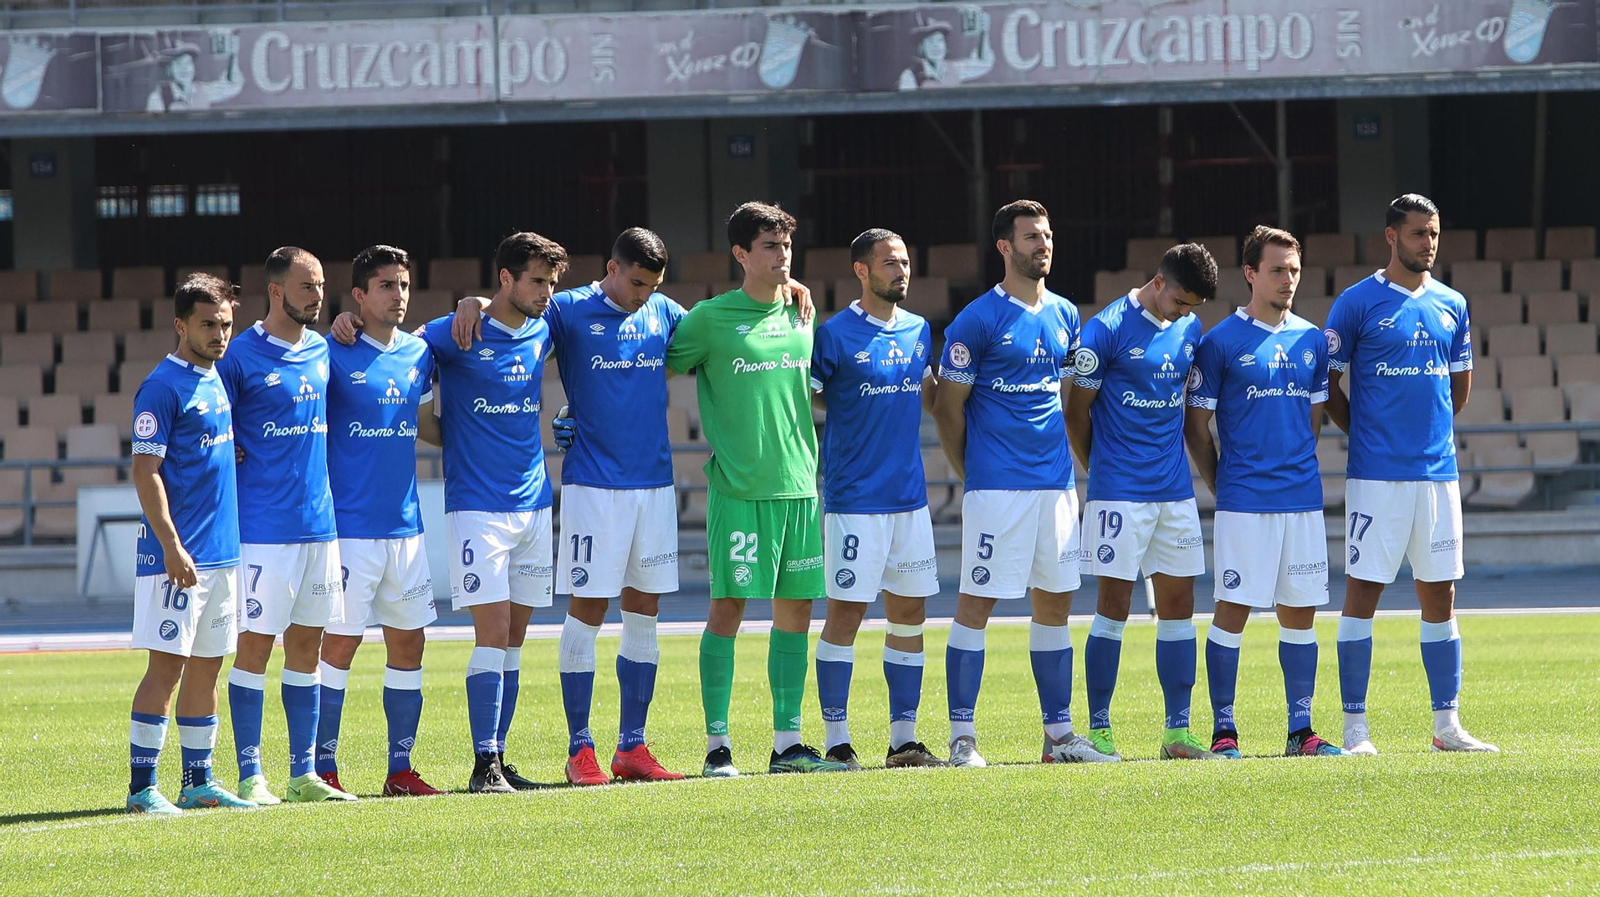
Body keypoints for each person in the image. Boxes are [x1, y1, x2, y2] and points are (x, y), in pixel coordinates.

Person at [456, 228, 688, 785]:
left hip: (654, 485)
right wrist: (473, 302)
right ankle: (579, 746)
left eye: (652, 286)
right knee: (588, 610)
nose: (642, 295)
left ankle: (633, 746)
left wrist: (789, 286)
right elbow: (513, 311)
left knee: (645, 614)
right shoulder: (566, 309)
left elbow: (723, 326)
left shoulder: (664, 311)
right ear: (611, 267)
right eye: (635, 283)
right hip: (593, 487)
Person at [666, 201, 847, 777]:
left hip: (799, 488)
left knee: (796, 610)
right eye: (769, 246)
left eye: (787, 246)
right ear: (741, 253)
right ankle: (718, 747)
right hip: (740, 491)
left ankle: (787, 744)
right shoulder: (709, 319)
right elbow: (649, 369)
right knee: (729, 607)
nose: (782, 255)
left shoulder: (800, 312)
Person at [933, 200, 1113, 767]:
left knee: (1056, 605)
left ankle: (1058, 736)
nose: (1044, 244)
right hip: (998, 488)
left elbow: (1068, 399)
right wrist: (976, 474)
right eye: (1032, 236)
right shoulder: (976, 320)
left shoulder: (1065, 314)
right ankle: (963, 736)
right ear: (1005, 248)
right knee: (976, 603)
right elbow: (947, 410)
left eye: (1048, 235)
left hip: (1055, 485)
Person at [1324, 194, 1497, 754]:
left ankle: (1446, 726)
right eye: (1420, 233)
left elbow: (1458, 387)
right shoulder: (1355, 304)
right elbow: (1329, 388)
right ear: (1392, 237)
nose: (1430, 242)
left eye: (1435, 233)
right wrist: (1367, 433)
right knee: (1363, 594)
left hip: (1437, 474)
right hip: (1376, 476)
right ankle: (1356, 730)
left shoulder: (1453, 303)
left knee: (1441, 595)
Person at [1184, 226, 1347, 759]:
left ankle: (1301, 731)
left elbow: (1314, 419)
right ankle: (1224, 730)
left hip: (1300, 500)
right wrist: (1221, 483)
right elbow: (1196, 425)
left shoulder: (1311, 340)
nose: (1288, 280)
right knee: (1233, 610)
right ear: (1251, 274)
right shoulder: (1220, 343)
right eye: (1278, 270)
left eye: (1295, 270)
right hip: (1244, 503)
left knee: (1300, 613)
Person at [1065, 242, 1218, 761]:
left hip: (1174, 492)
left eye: (1194, 306)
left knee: (1179, 608)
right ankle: (1101, 729)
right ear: (1159, 282)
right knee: (1113, 608)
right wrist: (1103, 471)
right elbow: (1075, 414)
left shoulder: (1189, 329)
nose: (1186, 313)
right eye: (1181, 301)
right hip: (1119, 495)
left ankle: (1177, 731)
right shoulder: (1103, 331)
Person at [428, 232, 566, 792]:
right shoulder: (452, 331)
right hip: (478, 507)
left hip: (534, 504)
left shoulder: (545, 326)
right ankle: (482, 764)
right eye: (537, 280)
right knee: (493, 633)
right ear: (505, 278)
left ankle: (499, 756)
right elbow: (386, 344)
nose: (547, 293)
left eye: (552, 282)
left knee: (515, 639)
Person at [219, 247, 354, 804]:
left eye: (321, 285)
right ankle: (252, 774)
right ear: (276, 291)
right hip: (262, 531)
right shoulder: (239, 356)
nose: (318, 296)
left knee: (308, 645)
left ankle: (304, 775)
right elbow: (208, 424)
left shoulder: (324, 348)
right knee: (254, 646)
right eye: (307, 286)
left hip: (320, 527)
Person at [810, 228, 944, 770]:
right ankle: (837, 740)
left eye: (906, 262)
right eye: (890, 263)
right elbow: (805, 403)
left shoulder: (919, 331)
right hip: (854, 500)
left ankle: (903, 741)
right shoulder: (834, 334)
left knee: (910, 615)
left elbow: (936, 398)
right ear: (861, 271)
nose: (901, 270)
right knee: (846, 615)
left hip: (909, 501)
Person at [315, 245, 445, 797]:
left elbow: (429, 429)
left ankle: (400, 770)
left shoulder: (420, 354)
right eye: (387, 286)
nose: (399, 295)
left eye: (404, 285)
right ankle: (321, 766)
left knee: (409, 645)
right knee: (339, 647)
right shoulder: (331, 353)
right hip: (349, 531)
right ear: (360, 296)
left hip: (406, 529)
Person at [125, 274, 253, 814]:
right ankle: (141, 788)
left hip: (222, 554)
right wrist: (172, 546)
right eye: (208, 324)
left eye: (226, 323)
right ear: (181, 324)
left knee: (208, 667)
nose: (220, 333)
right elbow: (145, 471)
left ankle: (197, 780)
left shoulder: (215, 377)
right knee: (167, 669)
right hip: (175, 558)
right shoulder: (161, 386)